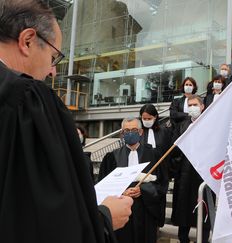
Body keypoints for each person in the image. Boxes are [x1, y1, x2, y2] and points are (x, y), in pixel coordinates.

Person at [0, 1, 132, 242]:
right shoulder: (28, 101)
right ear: (28, 40)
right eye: (54, 57)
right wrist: (104, 218)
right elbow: (52, 226)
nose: (53, 71)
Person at [99, 118, 166, 243]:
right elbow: (105, 184)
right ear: (122, 134)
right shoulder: (111, 158)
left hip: (146, 210)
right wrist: (122, 192)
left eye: (134, 130)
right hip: (121, 209)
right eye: (127, 130)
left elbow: (162, 183)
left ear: (140, 132)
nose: (130, 133)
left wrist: (143, 190)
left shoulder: (154, 155)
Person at [170, 95, 212, 243]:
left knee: (204, 205)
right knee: (183, 206)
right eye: (190, 105)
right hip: (185, 172)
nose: (192, 108)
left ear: (202, 107)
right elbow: (174, 148)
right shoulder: (182, 125)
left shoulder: (210, 123)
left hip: (203, 173)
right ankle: (183, 238)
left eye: (195, 104)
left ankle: (204, 238)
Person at [139, 104, 172, 183]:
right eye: (144, 118)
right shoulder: (138, 132)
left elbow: (169, 150)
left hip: (161, 169)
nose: (147, 120)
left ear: (155, 117)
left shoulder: (164, 131)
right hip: (143, 169)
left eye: (149, 118)